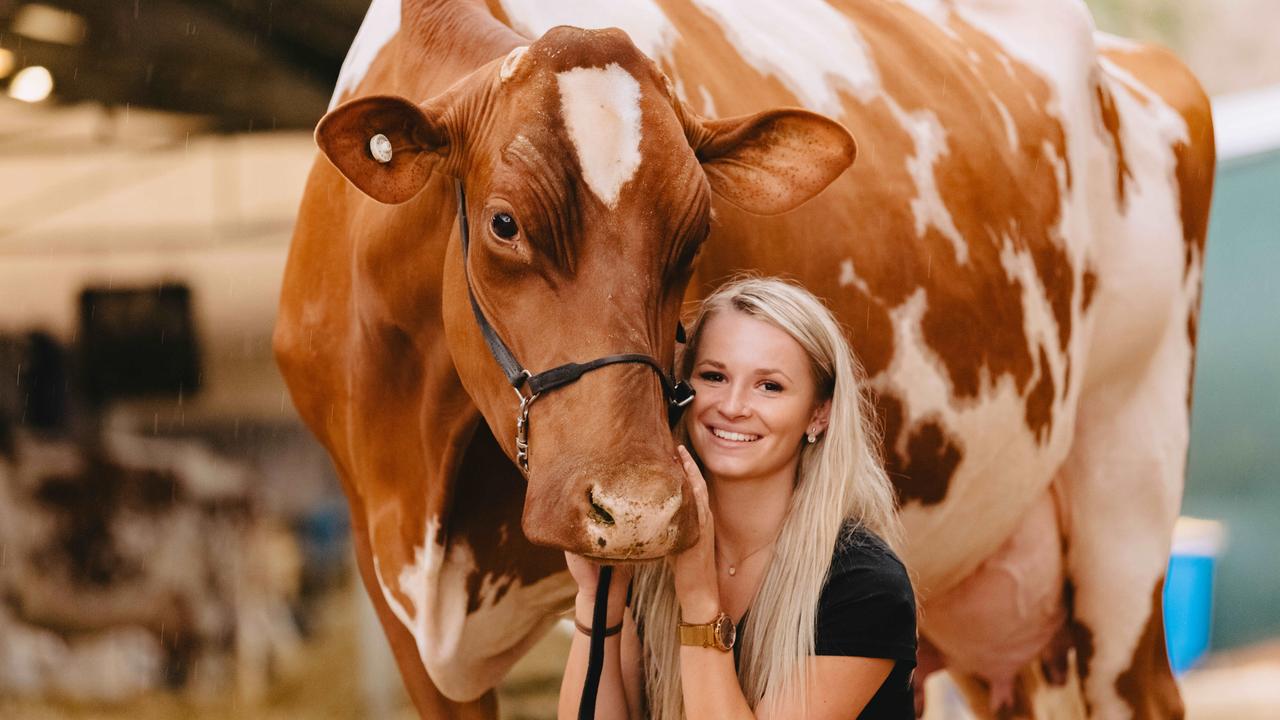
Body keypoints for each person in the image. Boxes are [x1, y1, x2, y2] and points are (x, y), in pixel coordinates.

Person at [558, 276, 917, 720]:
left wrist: (700, 602)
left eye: (769, 386)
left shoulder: (864, 587)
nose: (732, 405)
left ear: (819, 413)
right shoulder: (649, 563)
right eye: (714, 376)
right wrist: (598, 605)